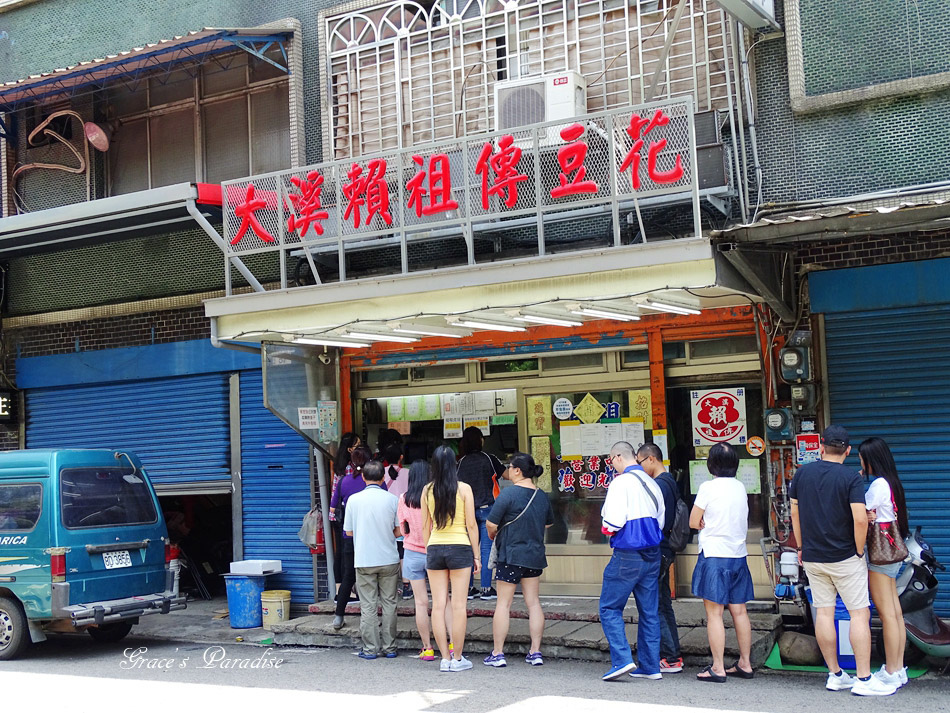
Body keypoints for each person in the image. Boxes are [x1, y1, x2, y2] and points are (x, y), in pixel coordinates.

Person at [789, 425, 896, 697]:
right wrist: (859, 550)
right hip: (846, 557)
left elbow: (795, 514)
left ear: (821, 446)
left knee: (823, 612)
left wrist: (801, 547)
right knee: (859, 613)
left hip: (813, 557)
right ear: (848, 451)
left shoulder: (802, 474)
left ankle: (835, 675)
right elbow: (861, 519)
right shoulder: (850, 477)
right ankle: (862, 679)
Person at [599, 441, 665, 682]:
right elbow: (660, 520)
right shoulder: (652, 483)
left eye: (611, 460)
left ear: (617, 457)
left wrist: (606, 527)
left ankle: (622, 659)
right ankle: (650, 666)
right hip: (652, 553)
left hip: (627, 555)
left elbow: (612, 522)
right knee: (649, 612)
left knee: (609, 607)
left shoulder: (620, 483)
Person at [689, 442, 755, 683]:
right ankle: (745, 664)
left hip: (714, 555)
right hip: (738, 555)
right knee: (740, 611)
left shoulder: (708, 487)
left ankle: (718, 667)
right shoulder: (740, 487)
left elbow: (693, 521)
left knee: (715, 614)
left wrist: (704, 521)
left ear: (711, 465)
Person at [483, 452, 553, 668]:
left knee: (503, 604)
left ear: (517, 470)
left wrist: (494, 535)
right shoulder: (542, 496)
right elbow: (548, 524)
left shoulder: (508, 494)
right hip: (534, 556)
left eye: (510, 467)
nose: (508, 471)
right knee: (533, 603)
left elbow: (491, 524)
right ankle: (535, 652)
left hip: (510, 555)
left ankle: (498, 653)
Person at [859, 437, 910, 690]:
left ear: (870, 459)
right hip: (891, 554)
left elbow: (860, 510)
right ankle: (898, 669)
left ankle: (891, 671)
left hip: (880, 555)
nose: (860, 462)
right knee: (895, 613)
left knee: (887, 614)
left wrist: (866, 510)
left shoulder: (878, 484)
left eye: (861, 458)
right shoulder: (891, 482)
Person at [423, 444, 480, 672]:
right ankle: (457, 658)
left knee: (438, 606)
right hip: (460, 548)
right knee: (458, 606)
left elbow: (425, 526)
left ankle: (444, 659)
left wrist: (429, 548)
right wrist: (476, 555)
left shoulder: (426, 490)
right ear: (455, 464)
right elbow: (472, 525)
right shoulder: (464, 489)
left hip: (434, 548)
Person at [343, 460, 401, 659]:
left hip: (364, 560)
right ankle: (390, 648)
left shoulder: (354, 500)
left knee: (367, 605)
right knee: (389, 603)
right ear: (383, 478)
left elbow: (348, 532)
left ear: (363, 477)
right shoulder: (392, 499)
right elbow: (398, 530)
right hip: (389, 559)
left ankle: (370, 649)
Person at [397, 459, 452, 661]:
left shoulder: (404, 498)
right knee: (444, 600)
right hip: (434, 552)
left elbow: (402, 529)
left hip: (411, 553)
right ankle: (452, 644)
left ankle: (427, 648)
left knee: (420, 603)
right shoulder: (435, 496)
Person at [636, 443, 683, 674]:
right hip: (666, 549)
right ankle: (672, 654)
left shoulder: (660, 485)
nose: (639, 466)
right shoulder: (670, 481)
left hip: (660, 549)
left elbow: (655, 521)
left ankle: (671, 657)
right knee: (663, 603)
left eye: (640, 462)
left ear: (651, 459)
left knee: (657, 605)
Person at [456, 426, 504, 600]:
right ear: (480, 440)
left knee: (468, 549)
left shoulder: (460, 463)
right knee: (486, 550)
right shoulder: (489, 459)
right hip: (487, 510)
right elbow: (506, 474)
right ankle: (485, 588)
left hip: (466, 512)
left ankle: (468, 588)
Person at [330, 445, 373, 629]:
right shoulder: (376, 481)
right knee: (372, 577)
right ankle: (371, 618)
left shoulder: (343, 481)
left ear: (352, 462)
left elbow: (333, 509)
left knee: (349, 575)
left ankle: (339, 616)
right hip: (372, 537)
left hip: (349, 536)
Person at [330, 432, 360, 590]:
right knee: (348, 553)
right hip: (347, 515)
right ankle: (349, 590)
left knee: (340, 553)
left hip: (336, 514)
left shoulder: (339, 466)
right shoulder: (351, 469)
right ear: (350, 449)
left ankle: (338, 590)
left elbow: (335, 492)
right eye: (357, 445)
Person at [383, 442, 412, 599]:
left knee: (389, 549)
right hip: (404, 516)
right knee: (403, 551)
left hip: (386, 516)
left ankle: (390, 588)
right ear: (401, 457)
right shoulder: (408, 473)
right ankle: (406, 586)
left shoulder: (381, 472)